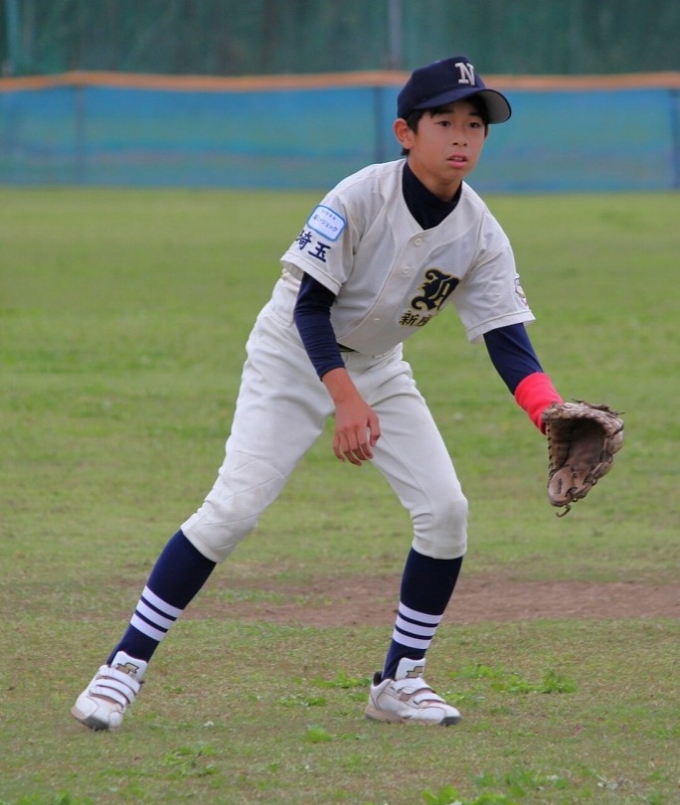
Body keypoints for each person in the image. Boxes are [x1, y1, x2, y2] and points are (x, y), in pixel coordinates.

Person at [72, 55, 564, 730]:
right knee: (232, 510)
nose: (462, 136)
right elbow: (310, 309)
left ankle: (399, 680)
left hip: (378, 366)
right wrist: (345, 399)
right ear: (405, 132)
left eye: (475, 124)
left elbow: (507, 338)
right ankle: (122, 666)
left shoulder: (480, 232)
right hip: (291, 355)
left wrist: (549, 413)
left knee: (446, 511)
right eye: (444, 121)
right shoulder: (358, 197)